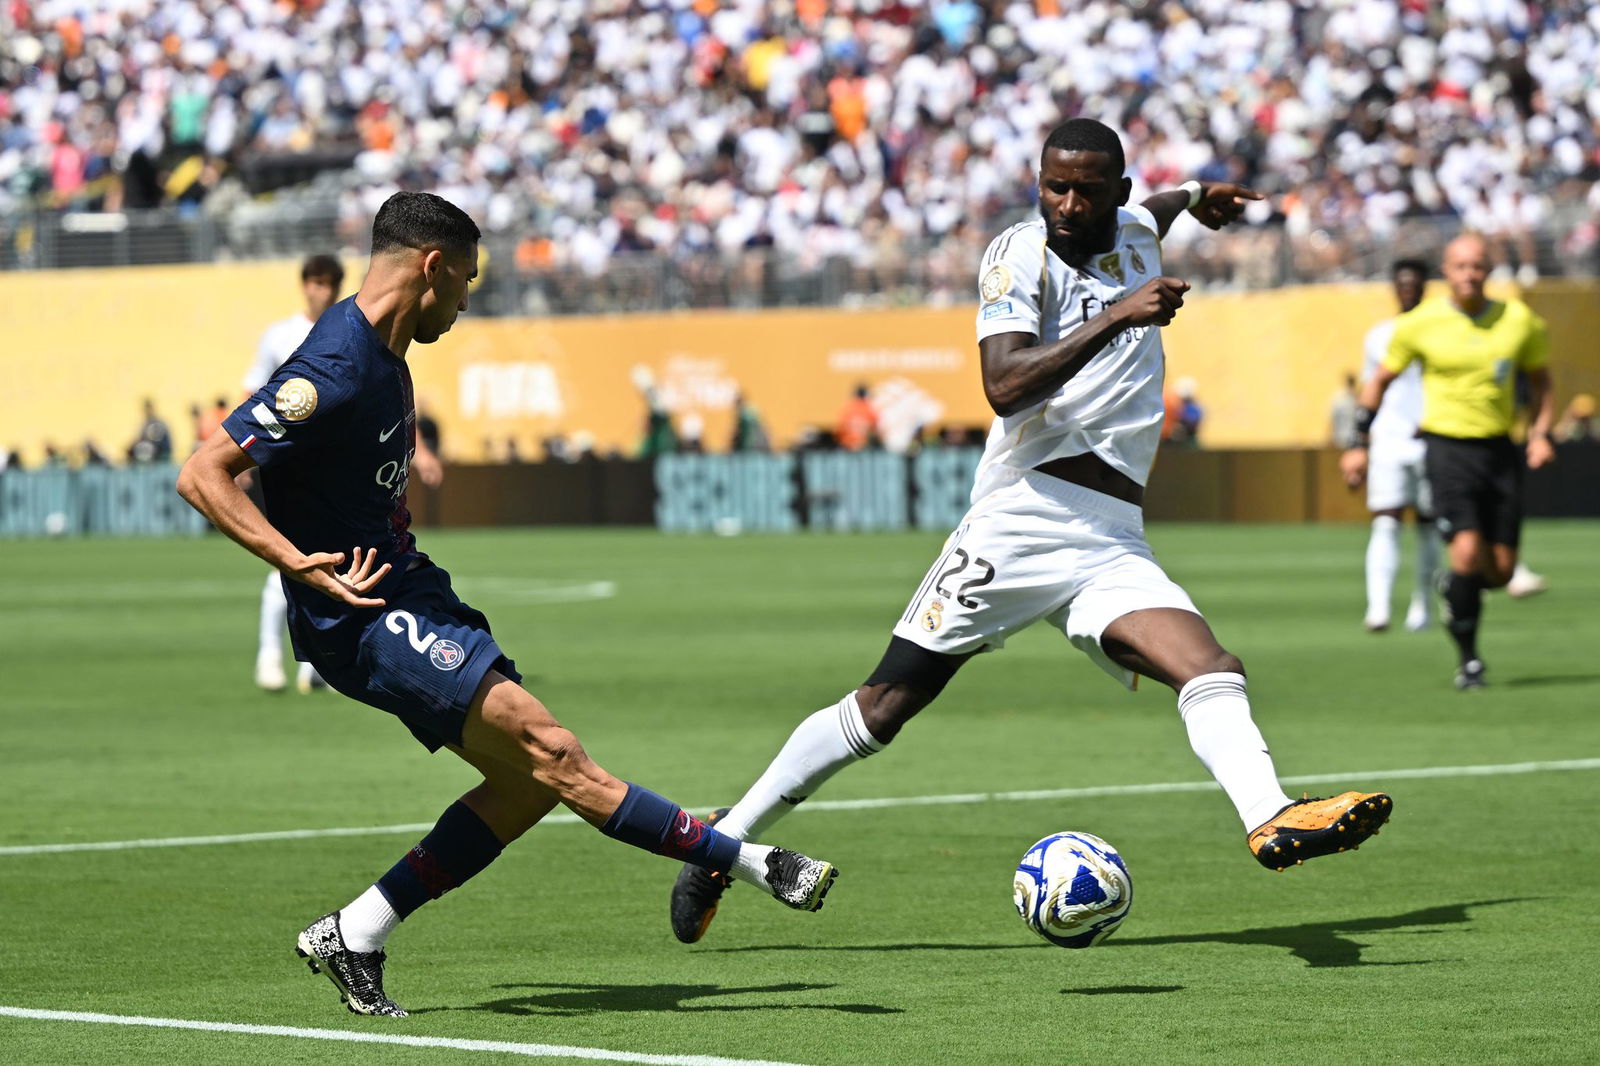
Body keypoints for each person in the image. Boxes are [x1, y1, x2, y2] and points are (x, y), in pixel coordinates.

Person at [668, 118, 1392, 945]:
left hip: (1110, 535)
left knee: (1210, 665)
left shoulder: (1135, 227)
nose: (1068, 204)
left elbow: (1155, 210)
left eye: (1088, 190)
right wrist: (1119, 315)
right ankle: (720, 845)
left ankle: (1270, 816)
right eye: (1055, 186)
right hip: (1021, 518)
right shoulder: (1020, 256)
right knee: (885, 705)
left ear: (1117, 193)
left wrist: (1198, 195)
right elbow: (1004, 384)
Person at [177, 192, 837, 1017]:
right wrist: (294, 562)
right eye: (467, 280)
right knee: (554, 753)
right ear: (432, 266)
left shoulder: (383, 353)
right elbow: (202, 472)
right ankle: (749, 861)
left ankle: (356, 931)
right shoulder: (334, 365)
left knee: (526, 787)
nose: (465, 301)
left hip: (410, 589)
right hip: (363, 616)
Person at [1341, 233, 1555, 689]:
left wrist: (1540, 433)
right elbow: (1378, 382)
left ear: (1489, 271)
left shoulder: (1518, 320)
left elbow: (1541, 381)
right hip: (1446, 450)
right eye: (1460, 266)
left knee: (1499, 571)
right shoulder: (1421, 324)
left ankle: (1453, 589)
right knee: (1466, 551)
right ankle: (1470, 661)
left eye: (1477, 266)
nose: (1469, 275)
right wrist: (1358, 442)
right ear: (1447, 272)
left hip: (1499, 450)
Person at [245, 254, 445, 695]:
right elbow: (254, 395)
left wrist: (423, 452)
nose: (323, 290)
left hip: (344, 468)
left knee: (344, 560)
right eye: (316, 282)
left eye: (330, 283)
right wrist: (244, 454)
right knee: (291, 560)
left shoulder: (355, 332)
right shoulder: (281, 335)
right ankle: (270, 655)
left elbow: (388, 404)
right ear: (304, 285)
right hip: (293, 468)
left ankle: (320, 665)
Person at [1356, 259, 1440, 633]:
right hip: (1388, 440)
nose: (1407, 290)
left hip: (1431, 440)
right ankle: (1379, 608)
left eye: (1414, 285)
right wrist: (1359, 443)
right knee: (1385, 521)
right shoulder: (1378, 335)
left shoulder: (1439, 330)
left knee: (1428, 526)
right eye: (1402, 284)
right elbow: (1369, 390)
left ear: (1424, 288)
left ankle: (1423, 606)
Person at [835, 383, 879, 450]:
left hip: (847, 445)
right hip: (863, 445)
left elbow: (840, 428)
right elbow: (875, 427)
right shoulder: (869, 409)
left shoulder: (847, 409)